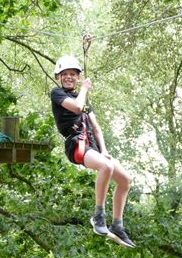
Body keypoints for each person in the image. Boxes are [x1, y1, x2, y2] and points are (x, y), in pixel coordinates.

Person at [50, 55, 135, 248]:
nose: (70, 77)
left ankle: (117, 225)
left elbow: (96, 128)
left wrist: (104, 150)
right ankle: (98, 216)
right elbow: (77, 107)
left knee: (126, 180)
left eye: (73, 74)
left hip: (92, 146)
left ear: (78, 77)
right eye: (66, 74)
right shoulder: (57, 94)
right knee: (105, 167)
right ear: (59, 77)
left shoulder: (86, 101)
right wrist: (85, 89)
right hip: (76, 144)